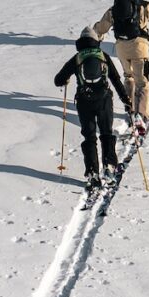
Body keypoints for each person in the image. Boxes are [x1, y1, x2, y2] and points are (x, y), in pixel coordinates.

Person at [53, 31, 135, 191]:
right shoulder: (102, 55)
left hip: (84, 102)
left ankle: (92, 173)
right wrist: (126, 100)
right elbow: (116, 79)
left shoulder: (77, 58)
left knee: (89, 137)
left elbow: (58, 80)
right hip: (104, 100)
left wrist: (67, 78)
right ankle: (109, 167)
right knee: (106, 133)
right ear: (95, 40)